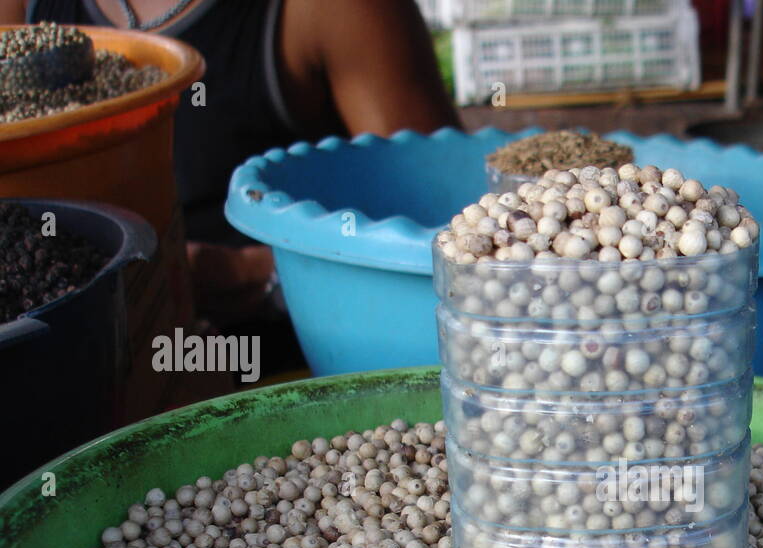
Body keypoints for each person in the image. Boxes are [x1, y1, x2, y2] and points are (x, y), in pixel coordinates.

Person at [3, 0, 459, 338]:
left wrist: (261, 277)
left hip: (276, 369)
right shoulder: (22, 11)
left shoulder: (333, 11)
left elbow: (449, 246)